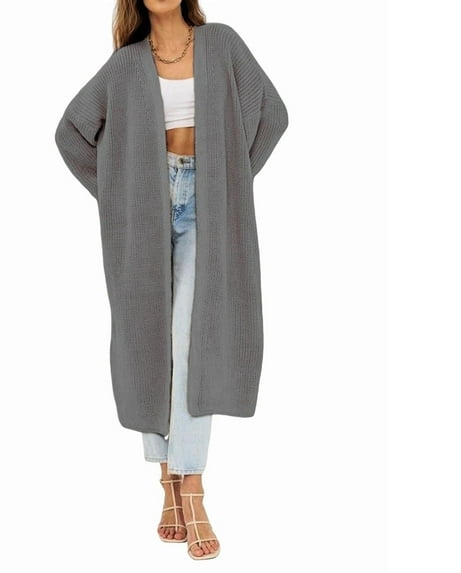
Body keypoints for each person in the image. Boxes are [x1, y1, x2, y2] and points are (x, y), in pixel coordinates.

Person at [54, 0, 288, 561]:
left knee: (191, 340)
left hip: (206, 206)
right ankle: (167, 481)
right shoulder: (126, 63)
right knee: (149, 341)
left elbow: (273, 115)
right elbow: (71, 132)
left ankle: (192, 486)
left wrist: (229, 179)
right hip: (146, 207)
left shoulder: (221, 43)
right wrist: (120, 191)